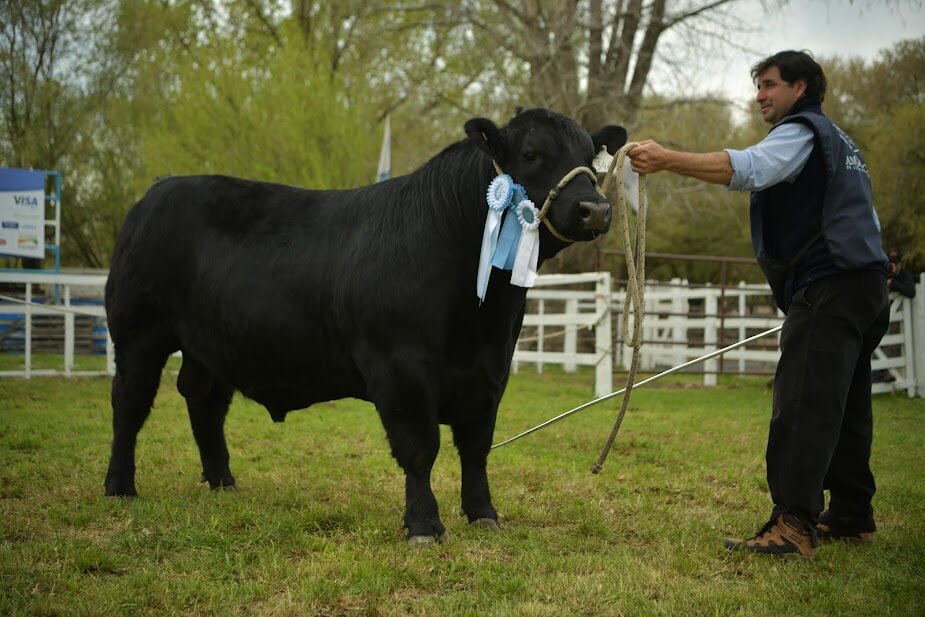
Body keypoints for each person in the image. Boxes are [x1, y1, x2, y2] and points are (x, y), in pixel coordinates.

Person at [628, 50, 890, 559]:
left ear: (802, 88)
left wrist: (667, 159)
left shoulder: (801, 132)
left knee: (803, 404)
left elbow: (746, 169)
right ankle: (853, 514)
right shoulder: (843, 143)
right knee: (847, 405)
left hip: (829, 286)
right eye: (759, 86)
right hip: (866, 286)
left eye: (770, 85)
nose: (760, 96)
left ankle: (793, 525)